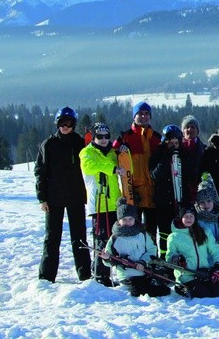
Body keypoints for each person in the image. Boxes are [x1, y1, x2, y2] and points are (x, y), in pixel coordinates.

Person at [35, 107, 92, 283]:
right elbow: (40, 172)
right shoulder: (49, 144)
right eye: (62, 123)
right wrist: (42, 197)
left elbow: (94, 157)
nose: (65, 126)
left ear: (73, 124)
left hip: (75, 196)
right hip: (54, 198)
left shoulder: (80, 143)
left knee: (79, 237)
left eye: (69, 123)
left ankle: (85, 274)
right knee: (52, 237)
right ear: (57, 124)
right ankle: (46, 276)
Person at [80, 122, 123, 286]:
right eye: (100, 136)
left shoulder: (112, 152)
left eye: (106, 136)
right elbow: (90, 167)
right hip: (99, 203)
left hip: (114, 202)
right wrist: (111, 168)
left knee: (113, 240)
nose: (104, 140)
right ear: (93, 137)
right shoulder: (87, 152)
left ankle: (111, 271)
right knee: (101, 240)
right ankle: (100, 275)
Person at [101, 198, 170, 297]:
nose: (127, 222)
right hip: (127, 275)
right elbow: (110, 259)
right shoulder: (115, 238)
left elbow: (152, 250)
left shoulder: (142, 234)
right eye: (124, 219)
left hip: (144, 271)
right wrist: (107, 258)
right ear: (119, 221)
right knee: (138, 290)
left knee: (163, 289)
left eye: (130, 219)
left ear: (135, 219)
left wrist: (143, 262)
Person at [114, 101, 161, 239]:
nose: (144, 116)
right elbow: (112, 154)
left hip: (153, 192)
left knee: (152, 230)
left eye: (147, 114)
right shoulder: (125, 137)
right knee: (134, 230)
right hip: (133, 194)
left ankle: (152, 257)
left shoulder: (157, 138)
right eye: (140, 113)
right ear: (134, 116)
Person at [166, 204, 219, 298]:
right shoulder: (174, 237)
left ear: (195, 218)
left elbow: (215, 250)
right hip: (187, 276)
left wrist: (218, 265)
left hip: (204, 273)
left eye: (191, 216)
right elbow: (170, 256)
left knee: (218, 294)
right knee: (203, 295)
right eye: (186, 216)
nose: (189, 219)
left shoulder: (205, 232)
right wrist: (178, 259)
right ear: (181, 218)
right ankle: (181, 288)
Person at [150, 124, 194, 256]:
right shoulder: (157, 155)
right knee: (165, 232)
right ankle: (165, 258)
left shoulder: (184, 154)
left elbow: (191, 176)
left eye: (176, 143)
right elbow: (154, 175)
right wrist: (166, 158)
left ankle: (183, 256)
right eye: (170, 143)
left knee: (181, 230)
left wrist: (183, 159)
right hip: (164, 201)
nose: (174, 146)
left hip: (181, 199)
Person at [180, 115, 206, 201]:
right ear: (183, 131)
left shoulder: (204, 149)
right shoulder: (177, 149)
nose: (190, 130)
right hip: (181, 190)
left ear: (197, 131)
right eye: (187, 127)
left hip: (199, 190)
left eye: (193, 127)